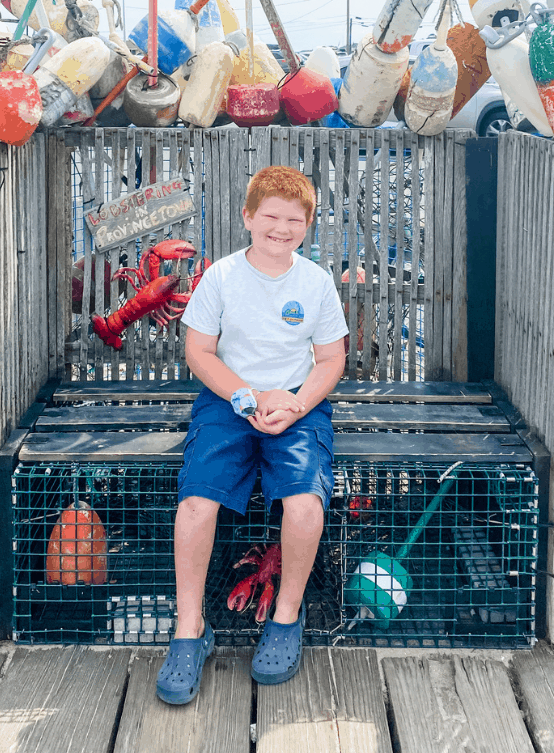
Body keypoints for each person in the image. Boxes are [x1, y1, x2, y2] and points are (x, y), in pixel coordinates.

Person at [156, 166, 348, 705]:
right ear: (248, 218)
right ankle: (190, 629)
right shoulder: (220, 277)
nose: (281, 228)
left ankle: (287, 617)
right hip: (228, 401)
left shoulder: (314, 283)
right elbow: (199, 352)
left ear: (307, 226)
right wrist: (245, 397)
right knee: (196, 503)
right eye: (270, 216)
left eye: (294, 219)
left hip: (296, 405)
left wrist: (295, 404)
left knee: (305, 504)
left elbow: (331, 358)